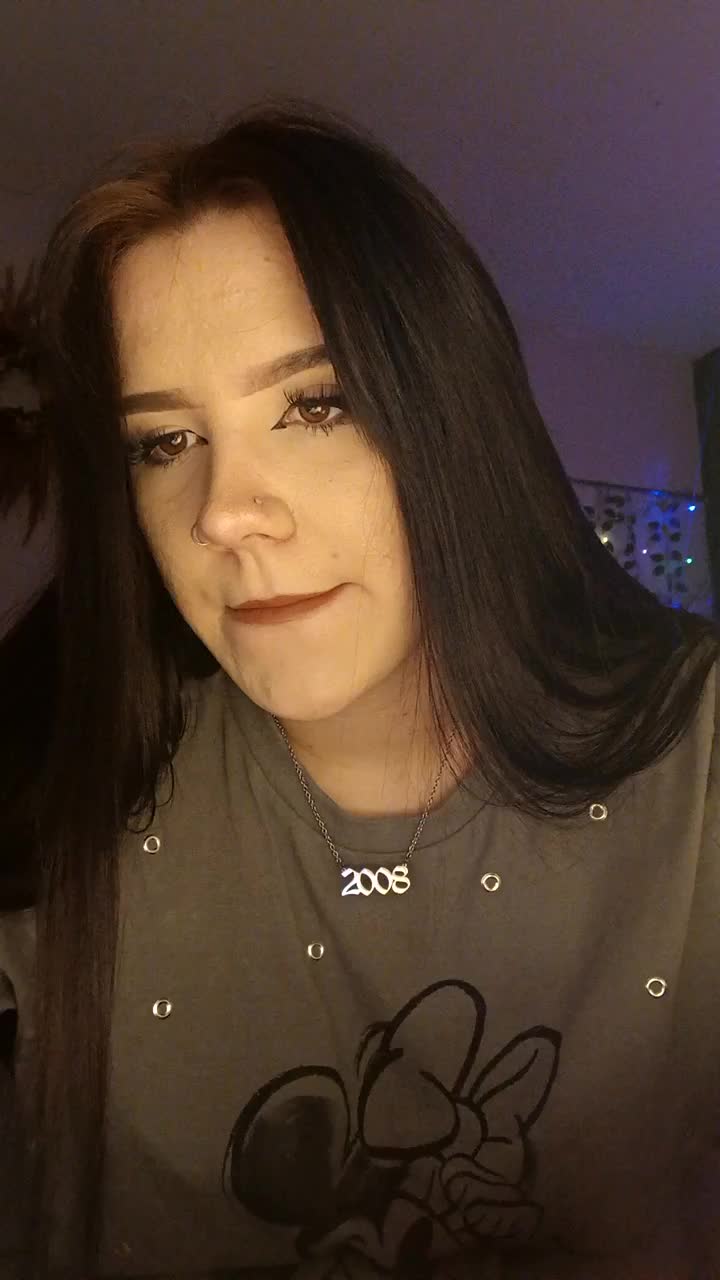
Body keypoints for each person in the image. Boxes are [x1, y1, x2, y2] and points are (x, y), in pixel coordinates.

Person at [0, 96, 718, 1280]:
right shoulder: (61, 793)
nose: (224, 512)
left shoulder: (698, 768)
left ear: (451, 413)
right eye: (164, 441)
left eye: (315, 404)